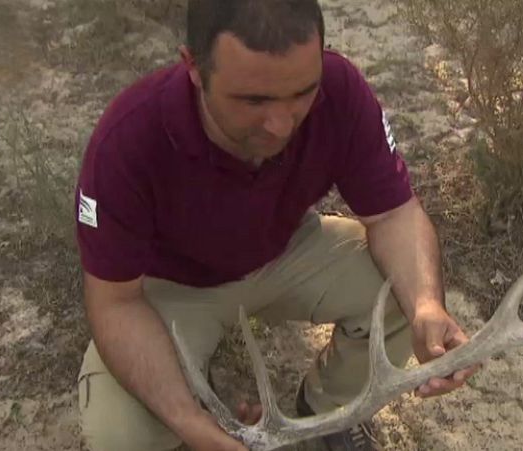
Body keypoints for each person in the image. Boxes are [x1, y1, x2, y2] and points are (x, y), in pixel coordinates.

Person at [74, 0, 479, 450]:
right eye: (254, 100)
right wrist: (190, 423)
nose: (282, 123)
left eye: (303, 92)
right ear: (193, 67)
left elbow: (393, 214)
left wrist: (427, 307)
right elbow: (116, 304)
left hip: (283, 252)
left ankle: (327, 415)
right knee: (118, 436)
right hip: (174, 288)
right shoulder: (129, 140)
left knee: (402, 294)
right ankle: (192, 408)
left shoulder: (340, 90)